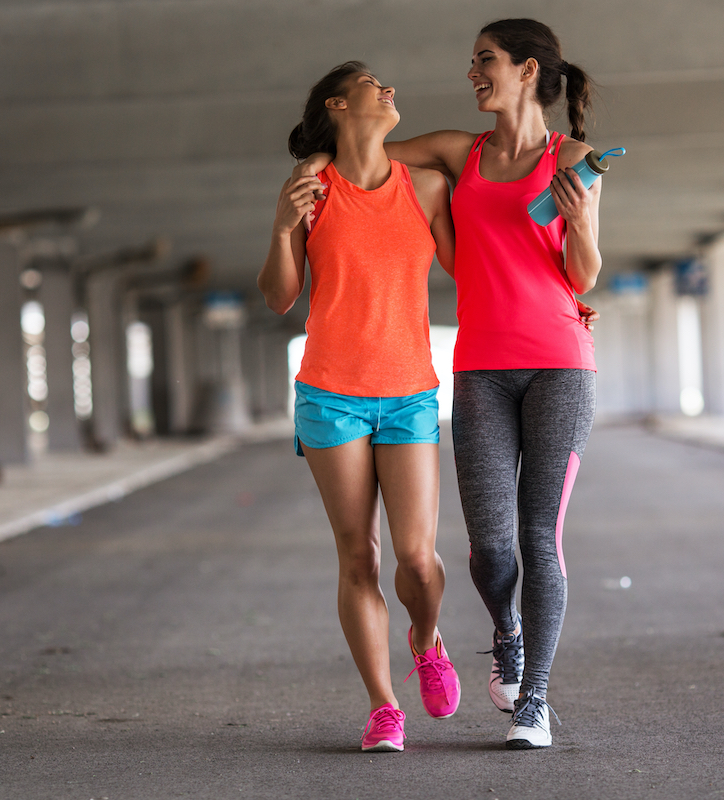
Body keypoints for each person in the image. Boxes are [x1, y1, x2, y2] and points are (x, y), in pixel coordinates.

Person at [293, 19, 602, 749]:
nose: (472, 72)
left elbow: (584, 273)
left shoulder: (577, 157)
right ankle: (505, 629)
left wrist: (581, 222)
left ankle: (535, 702)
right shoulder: (454, 153)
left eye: (485, 60)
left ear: (528, 72)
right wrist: (309, 178)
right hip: (479, 367)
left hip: (561, 358)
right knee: (492, 552)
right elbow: (362, 156)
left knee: (540, 536)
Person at [258, 61, 460, 753]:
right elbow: (279, 296)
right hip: (329, 396)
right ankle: (383, 706)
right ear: (337, 104)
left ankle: (427, 641)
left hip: (409, 395)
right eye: (375, 83)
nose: (391, 88)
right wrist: (285, 227)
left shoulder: (427, 187)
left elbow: (477, 268)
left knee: (418, 558)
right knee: (358, 556)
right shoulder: (309, 188)